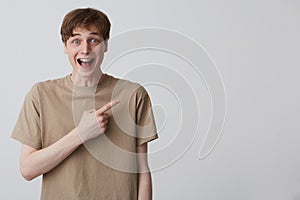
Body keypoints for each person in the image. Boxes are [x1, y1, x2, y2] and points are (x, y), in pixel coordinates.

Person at [11, 7, 158, 200]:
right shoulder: (40, 95)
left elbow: (142, 170)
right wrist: (81, 134)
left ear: (105, 45)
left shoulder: (134, 95)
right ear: (65, 46)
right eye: (76, 41)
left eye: (94, 40)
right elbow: (28, 169)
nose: (86, 49)